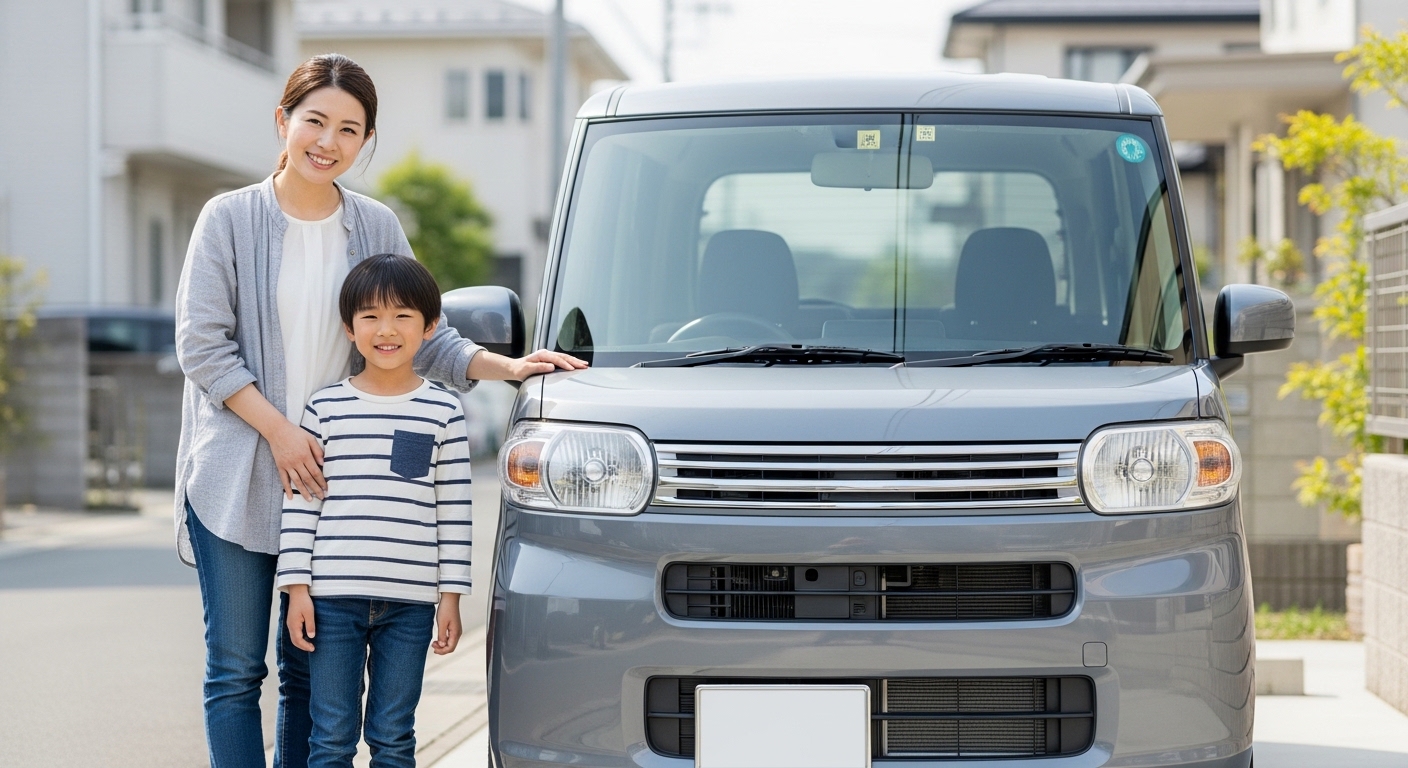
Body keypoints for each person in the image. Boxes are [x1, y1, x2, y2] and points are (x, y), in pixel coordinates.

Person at [174, 53, 586, 768]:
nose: (328, 142)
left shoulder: (375, 225)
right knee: (236, 669)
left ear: (366, 140)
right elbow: (202, 348)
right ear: (283, 120)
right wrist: (282, 435)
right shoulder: (228, 218)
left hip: (338, 487)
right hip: (240, 473)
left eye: (349, 129)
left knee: (309, 672)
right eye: (315, 121)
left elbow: (423, 334)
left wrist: (509, 368)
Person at [278, 254, 471, 768]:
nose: (386, 330)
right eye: (370, 316)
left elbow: (454, 510)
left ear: (429, 327)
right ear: (349, 328)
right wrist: (297, 589)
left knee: (394, 736)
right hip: (331, 600)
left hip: (411, 605)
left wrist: (450, 598)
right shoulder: (325, 408)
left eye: (402, 315)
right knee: (331, 737)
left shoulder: (444, 411)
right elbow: (301, 502)